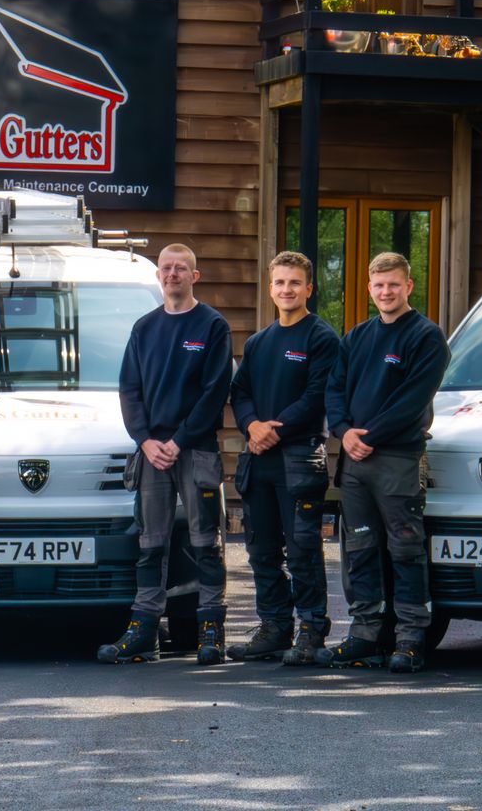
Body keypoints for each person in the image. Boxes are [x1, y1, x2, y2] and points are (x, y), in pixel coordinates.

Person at [100, 243, 233, 665]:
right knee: (150, 544)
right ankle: (144, 630)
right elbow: (129, 390)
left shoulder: (212, 326)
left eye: (181, 268)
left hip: (195, 451)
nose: (173, 274)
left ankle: (211, 628)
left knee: (205, 543)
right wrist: (145, 440)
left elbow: (215, 392)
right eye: (166, 268)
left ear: (196, 276)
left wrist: (179, 439)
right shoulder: (144, 328)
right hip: (152, 453)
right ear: (158, 275)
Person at [320, 251, 450, 674]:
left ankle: (410, 639)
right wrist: (343, 431)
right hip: (354, 460)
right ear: (369, 289)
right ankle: (364, 634)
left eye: (393, 284)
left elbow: (412, 401)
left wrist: (368, 436)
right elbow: (334, 388)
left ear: (409, 286)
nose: (386, 292)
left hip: (397, 459)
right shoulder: (356, 337)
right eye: (378, 285)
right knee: (359, 548)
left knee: (406, 548)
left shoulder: (426, 337)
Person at [227, 251, 341, 665]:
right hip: (259, 463)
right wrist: (252, 426)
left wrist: (271, 430)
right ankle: (275, 628)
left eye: (295, 283)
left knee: (303, 550)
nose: (287, 290)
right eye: (279, 283)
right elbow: (239, 393)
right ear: (270, 288)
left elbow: (317, 397)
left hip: (299, 459)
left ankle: (311, 631)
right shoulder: (258, 343)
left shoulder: (322, 338)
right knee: (261, 551)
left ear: (309, 288)